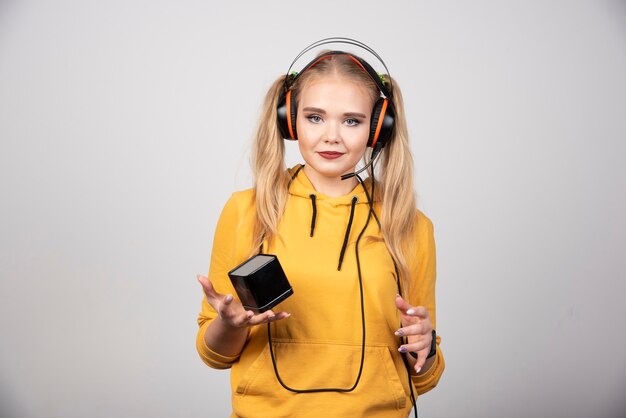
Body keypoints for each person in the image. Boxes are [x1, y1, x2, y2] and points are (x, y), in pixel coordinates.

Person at [196, 38, 445, 417]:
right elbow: (214, 354)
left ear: (379, 128)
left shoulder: (409, 226)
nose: (332, 135)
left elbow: (424, 377)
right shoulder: (246, 210)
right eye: (315, 117)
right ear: (289, 119)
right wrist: (231, 325)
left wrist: (425, 347)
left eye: (352, 121)